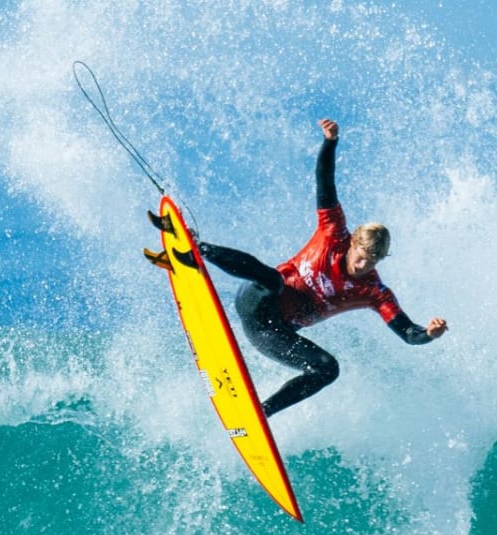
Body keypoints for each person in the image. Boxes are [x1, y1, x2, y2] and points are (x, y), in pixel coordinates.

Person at [157, 118, 448, 417]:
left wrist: (428, 334)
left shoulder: (375, 292)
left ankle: (262, 412)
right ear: (352, 242)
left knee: (328, 369)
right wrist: (330, 142)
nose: (363, 266)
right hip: (255, 300)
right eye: (361, 257)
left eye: (372, 261)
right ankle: (199, 251)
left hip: (272, 333)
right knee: (274, 280)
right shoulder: (332, 232)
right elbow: (325, 181)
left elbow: (407, 332)